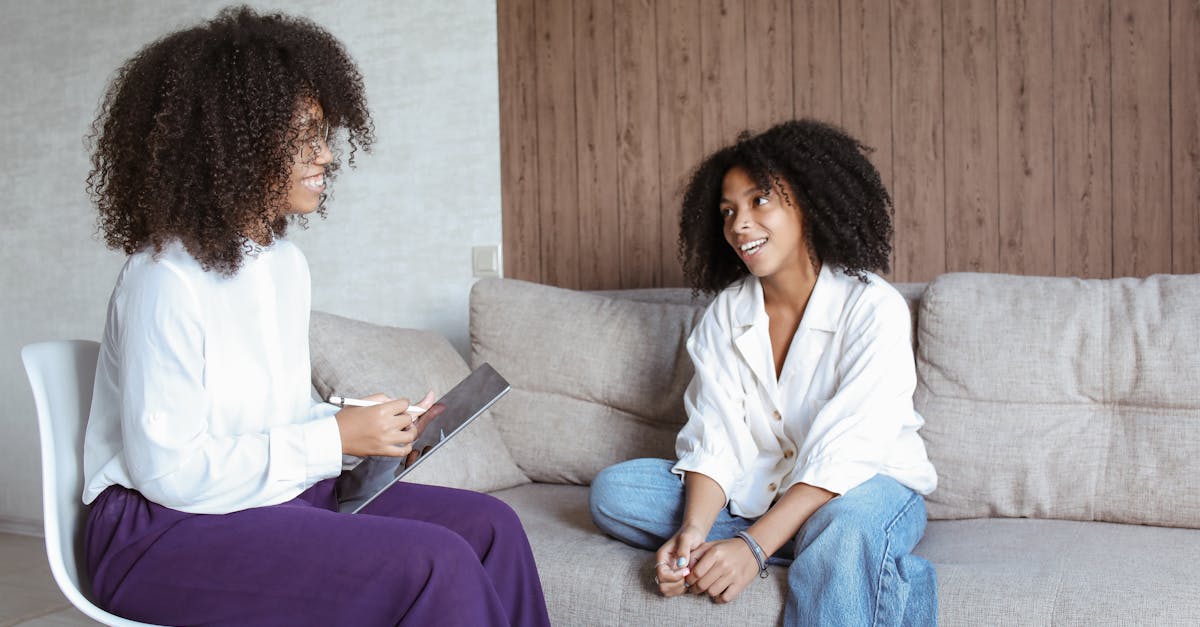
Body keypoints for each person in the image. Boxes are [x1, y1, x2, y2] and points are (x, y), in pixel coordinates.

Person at [82, 7, 551, 626]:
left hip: (256, 497)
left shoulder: (282, 264)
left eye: (325, 134)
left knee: (493, 526)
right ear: (234, 142)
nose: (327, 156)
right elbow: (170, 471)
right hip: (154, 532)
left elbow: (264, 421)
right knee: (434, 562)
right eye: (306, 136)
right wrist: (333, 440)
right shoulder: (162, 281)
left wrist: (358, 424)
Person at [588, 119, 939, 626]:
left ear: (810, 202)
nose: (739, 225)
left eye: (759, 202)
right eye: (728, 211)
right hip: (758, 492)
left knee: (848, 526)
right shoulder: (727, 314)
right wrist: (691, 533)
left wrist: (751, 549)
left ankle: (837, 549)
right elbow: (716, 437)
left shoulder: (872, 309)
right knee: (617, 491)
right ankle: (850, 560)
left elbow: (848, 454)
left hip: (866, 486)